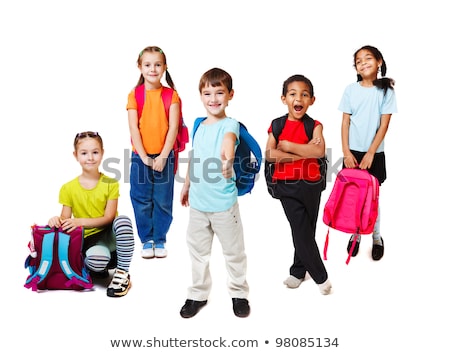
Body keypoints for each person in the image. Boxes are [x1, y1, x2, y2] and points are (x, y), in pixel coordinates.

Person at [179, 68, 250, 318]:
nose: (213, 99)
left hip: (223, 205)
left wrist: (227, 160)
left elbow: (229, 142)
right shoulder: (199, 125)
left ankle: (239, 293)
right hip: (198, 204)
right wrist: (187, 185)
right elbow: (195, 157)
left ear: (230, 95)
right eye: (207, 93)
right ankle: (197, 294)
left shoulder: (230, 124)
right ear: (200, 96)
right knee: (197, 253)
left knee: (234, 252)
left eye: (219, 93)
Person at [265, 74, 332, 295]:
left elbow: (319, 151)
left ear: (312, 100)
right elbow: (270, 154)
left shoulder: (315, 126)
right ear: (284, 98)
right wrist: (303, 154)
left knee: (306, 230)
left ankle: (298, 271)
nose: (299, 98)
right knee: (300, 229)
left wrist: (288, 146)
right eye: (293, 94)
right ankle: (321, 278)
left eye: (304, 94)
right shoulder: (277, 125)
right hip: (286, 186)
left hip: (312, 184)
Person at [48, 131, 135, 297]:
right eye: (84, 153)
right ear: (76, 155)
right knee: (96, 259)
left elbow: (108, 218)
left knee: (123, 220)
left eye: (95, 152)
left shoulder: (111, 183)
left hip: (112, 238)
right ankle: (96, 268)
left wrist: (79, 221)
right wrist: (55, 220)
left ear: (102, 153)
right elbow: (65, 220)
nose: (90, 157)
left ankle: (122, 273)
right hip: (92, 243)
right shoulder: (68, 188)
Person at [339, 45, 397, 261]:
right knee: (354, 196)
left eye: (368, 58)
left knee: (372, 198)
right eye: (358, 61)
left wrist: (371, 152)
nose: (363, 63)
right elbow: (345, 122)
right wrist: (345, 151)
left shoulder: (386, 91)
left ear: (379, 62)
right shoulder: (350, 90)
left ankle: (376, 237)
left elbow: (384, 126)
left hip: (374, 153)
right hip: (352, 152)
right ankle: (355, 234)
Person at [126, 46, 180, 259]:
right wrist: (144, 157)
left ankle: (160, 239)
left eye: (158, 65)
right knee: (140, 198)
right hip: (140, 156)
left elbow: (173, 128)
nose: (153, 69)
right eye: (147, 65)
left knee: (163, 200)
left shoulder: (171, 95)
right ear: (140, 67)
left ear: (165, 67)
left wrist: (163, 156)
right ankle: (146, 239)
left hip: (165, 155)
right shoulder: (134, 95)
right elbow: (133, 128)